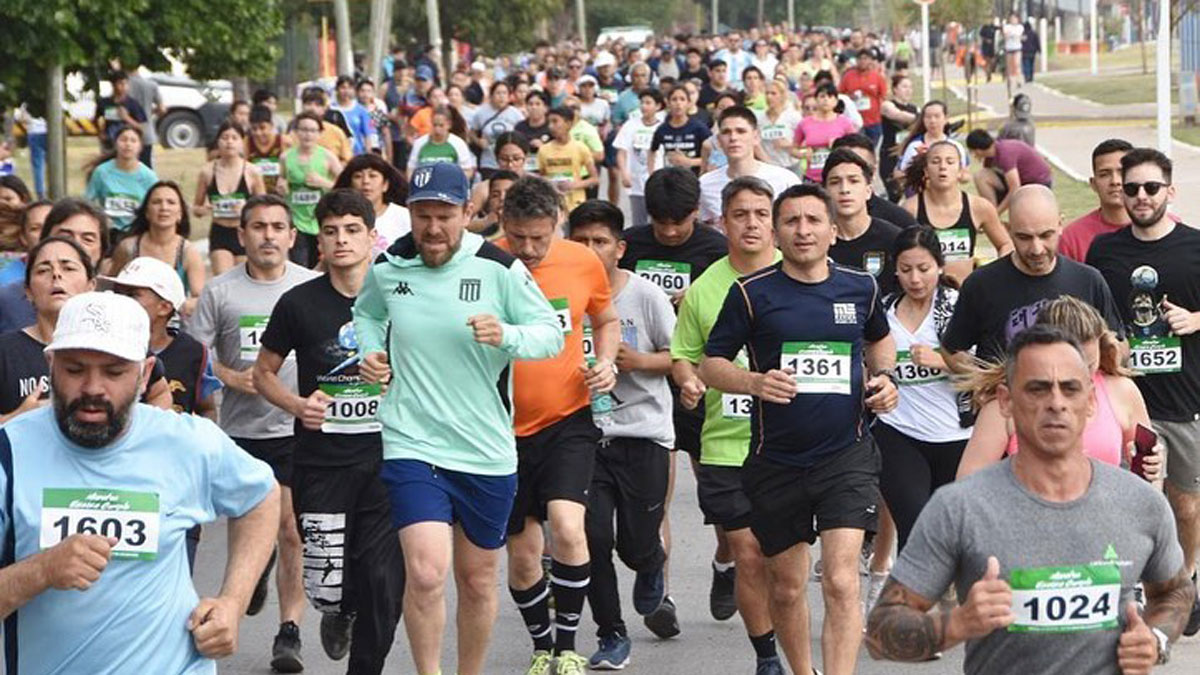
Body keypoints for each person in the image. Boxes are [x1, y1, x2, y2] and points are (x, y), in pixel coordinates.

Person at [866, 324, 1193, 673]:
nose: (1056, 403)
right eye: (1037, 389)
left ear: (1091, 402)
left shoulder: (1140, 503)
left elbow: (1175, 591)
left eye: (1070, 389)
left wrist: (1155, 638)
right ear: (1006, 401)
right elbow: (880, 633)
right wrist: (958, 623)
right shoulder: (960, 507)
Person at [351, 162, 562, 675]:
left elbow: (550, 334)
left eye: (445, 215)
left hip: (484, 447)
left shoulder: (500, 268)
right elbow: (367, 313)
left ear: (468, 214)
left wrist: (506, 335)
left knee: (477, 578)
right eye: (422, 216)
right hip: (412, 440)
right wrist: (371, 349)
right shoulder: (390, 266)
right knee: (425, 573)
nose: (432, 228)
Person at [0, 290, 279, 673]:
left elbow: (261, 497)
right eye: (75, 369)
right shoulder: (9, 452)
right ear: (50, 364)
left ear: (145, 373)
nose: (93, 388)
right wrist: (42, 571)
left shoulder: (187, 442)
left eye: (114, 372)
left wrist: (233, 600)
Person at [701, 182, 899, 675]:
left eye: (813, 221)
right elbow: (711, 365)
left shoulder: (861, 287)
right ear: (776, 232)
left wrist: (885, 379)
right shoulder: (751, 293)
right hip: (777, 461)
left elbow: (881, 342)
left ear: (833, 231)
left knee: (840, 579)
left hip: (846, 455)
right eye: (791, 221)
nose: (803, 230)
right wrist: (753, 381)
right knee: (786, 587)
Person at [255, 190, 405, 672]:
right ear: (319, 239)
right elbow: (262, 373)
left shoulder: (398, 298)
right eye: (332, 231)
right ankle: (339, 608)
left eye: (352, 230)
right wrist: (298, 405)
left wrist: (393, 378)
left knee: (382, 576)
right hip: (321, 461)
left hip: (388, 455)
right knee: (326, 581)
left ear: (371, 236)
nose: (341, 240)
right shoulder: (298, 303)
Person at [190, 193, 321, 673]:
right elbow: (195, 356)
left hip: (296, 427)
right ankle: (256, 565)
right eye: (258, 227)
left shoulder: (311, 287)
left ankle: (289, 633)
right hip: (241, 431)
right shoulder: (221, 292)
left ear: (292, 236)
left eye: (277, 227)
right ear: (241, 235)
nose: (268, 235)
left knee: (291, 527)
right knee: (252, 528)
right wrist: (231, 377)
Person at [494, 176, 619, 675]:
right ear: (503, 225)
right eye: (518, 237)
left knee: (568, 527)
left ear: (557, 225)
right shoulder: (482, 263)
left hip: (566, 417)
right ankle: (542, 646)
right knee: (523, 555)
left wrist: (606, 363)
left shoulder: (581, 260)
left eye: (539, 238)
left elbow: (605, 320)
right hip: (496, 427)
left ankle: (567, 646)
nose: (527, 249)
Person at [671, 176, 786, 675]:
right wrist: (688, 381)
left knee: (785, 565)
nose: (752, 223)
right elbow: (683, 358)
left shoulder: (800, 276)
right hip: (724, 445)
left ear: (775, 222)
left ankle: (789, 644)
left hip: (790, 446)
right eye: (741, 214)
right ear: (724, 221)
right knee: (749, 552)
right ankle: (766, 657)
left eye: (762, 213)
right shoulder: (705, 290)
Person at [1087, 147, 1200, 636]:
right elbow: (1092, 319)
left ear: (1169, 192)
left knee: (1186, 503)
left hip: (1184, 398)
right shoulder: (1104, 252)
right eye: (1130, 188)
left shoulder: (1196, 246)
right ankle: (1128, 587)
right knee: (1120, 500)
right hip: (1123, 398)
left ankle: (1185, 580)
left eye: (1151, 188)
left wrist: (1196, 320)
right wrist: (1113, 344)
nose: (1140, 196)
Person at [565, 200, 675, 669]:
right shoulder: (559, 294)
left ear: (620, 248)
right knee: (591, 538)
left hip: (643, 434)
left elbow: (681, 356)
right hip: (582, 436)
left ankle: (651, 563)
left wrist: (638, 362)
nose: (591, 250)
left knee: (635, 542)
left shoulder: (645, 295)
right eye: (582, 241)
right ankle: (611, 634)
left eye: (601, 241)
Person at [957, 295, 1156, 479]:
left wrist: (1151, 464)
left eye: (1089, 366)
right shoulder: (1009, 403)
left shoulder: (1122, 391)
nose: (1082, 378)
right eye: (1071, 370)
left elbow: (1148, 478)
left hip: (1105, 513)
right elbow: (968, 483)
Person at [940, 185, 1123, 368]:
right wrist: (984, 384)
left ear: (1060, 225)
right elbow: (953, 350)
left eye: (1045, 235)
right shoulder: (980, 284)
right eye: (1024, 237)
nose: (1037, 249)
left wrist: (1111, 351)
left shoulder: (1089, 281)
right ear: (1009, 230)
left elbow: (1120, 343)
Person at [875, 227, 970, 557]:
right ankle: (911, 605)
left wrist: (944, 362)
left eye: (924, 269)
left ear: (940, 267)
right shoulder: (883, 310)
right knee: (914, 529)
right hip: (899, 432)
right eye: (905, 270)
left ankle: (952, 605)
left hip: (956, 435)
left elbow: (990, 370)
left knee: (952, 533)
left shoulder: (959, 306)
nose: (915, 279)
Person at [902, 142, 1011, 283]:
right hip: (926, 294)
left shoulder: (979, 207)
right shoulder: (910, 209)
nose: (943, 167)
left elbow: (1005, 245)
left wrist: (996, 273)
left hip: (965, 294)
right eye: (935, 161)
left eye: (950, 162)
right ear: (926, 171)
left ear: (960, 171)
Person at [0, 199, 110, 334]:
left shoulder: (116, 305)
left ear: (102, 251)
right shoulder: (8, 300)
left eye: (87, 239)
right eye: (65, 236)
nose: (75, 244)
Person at [109, 181, 206, 316]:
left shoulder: (189, 252)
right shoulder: (127, 248)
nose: (164, 207)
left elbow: (200, 297)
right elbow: (110, 288)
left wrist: (179, 306)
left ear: (180, 214)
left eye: (171, 202)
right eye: (156, 202)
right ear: (147, 212)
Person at [699, 106, 800, 225]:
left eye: (741, 131)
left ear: (756, 137)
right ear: (719, 140)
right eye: (726, 132)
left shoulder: (785, 180)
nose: (733, 138)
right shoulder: (705, 184)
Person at [823, 149, 904, 296]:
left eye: (853, 181)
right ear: (825, 192)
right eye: (835, 182)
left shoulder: (894, 239)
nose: (844, 189)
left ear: (868, 191)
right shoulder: (817, 241)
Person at [194, 122, 267, 277]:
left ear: (242, 142)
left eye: (234, 138)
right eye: (225, 137)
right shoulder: (207, 172)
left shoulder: (252, 171)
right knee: (223, 280)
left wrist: (246, 209)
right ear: (218, 142)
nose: (229, 142)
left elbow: (264, 209)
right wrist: (205, 209)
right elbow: (196, 209)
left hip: (245, 233)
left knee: (246, 280)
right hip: (220, 232)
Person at [278, 112, 344, 269]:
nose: (308, 135)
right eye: (304, 129)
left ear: (320, 133)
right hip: (297, 220)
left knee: (321, 265)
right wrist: (282, 186)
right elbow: (282, 181)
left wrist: (324, 183)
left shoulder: (328, 157)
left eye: (313, 130)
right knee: (299, 266)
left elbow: (345, 185)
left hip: (321, 221)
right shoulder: (286, 157)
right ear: (296, 132)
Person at [1060, 139, 1135, 263]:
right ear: (1093, 184)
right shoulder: (1072, 238)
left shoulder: (1165, 226)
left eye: (1122, 173)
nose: (1115, 181)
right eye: (1105, 174)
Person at [830, 134, 919, 230]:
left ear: (874, 169)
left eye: (862, 167)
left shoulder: (898, 221)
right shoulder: (817, 217)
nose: (845, 188)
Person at [84, 126, 158, 238]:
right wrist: (99, 220)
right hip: (109, 232)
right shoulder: (102, 172)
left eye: (133, 141)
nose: (128, 144)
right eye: (123, 140)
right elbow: (87, 202)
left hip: (137, 233)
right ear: (116, 144)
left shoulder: (149, 177)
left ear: (140, 147)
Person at [333, 153, 411, 255]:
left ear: (385, 185)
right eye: (358, 176)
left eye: (372, 175)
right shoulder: (340, 219)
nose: (365, 181)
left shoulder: (404, 217)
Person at [965, 130, 1052, 216]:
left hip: (1038, 184)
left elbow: (1015, 187)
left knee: (1021, 216)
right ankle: (990, 211)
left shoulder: (1005, 153)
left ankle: (992, 215)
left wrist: (997, 213)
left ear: (977, 150)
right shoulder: (990, 156)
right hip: (1021, 182)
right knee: (981, 176)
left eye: (972, 151)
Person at [614, 90, 665, 228]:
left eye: (648, 103)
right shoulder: (631, 125)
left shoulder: (663, 126)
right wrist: (624, 173)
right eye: (642, 103)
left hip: (658, 181)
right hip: (636, 182)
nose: (644, 106)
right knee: (639, 221)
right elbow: (621, 151)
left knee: (658, 218)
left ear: (658, 106)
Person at [792, 82, 857, 183]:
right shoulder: (805, 123)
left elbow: (855, 147)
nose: (826, 99)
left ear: (836, 101)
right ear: (816, 100)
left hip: (836, 175)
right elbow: (793, 149)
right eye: (822, 96)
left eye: (830, 96)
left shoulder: (845, 123)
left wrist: (839, 146)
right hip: (812, 177)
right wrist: (803, 154)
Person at [539, 106, 599, 213]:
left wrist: (574, 185)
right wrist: (550, 183)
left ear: (568, 124)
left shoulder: (581, 148)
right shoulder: (544, 150)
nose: (551, 126)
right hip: (552, 204)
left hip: (576, 203)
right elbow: (541, 176)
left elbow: (594, 179)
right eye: (549, 122)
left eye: (555, 121)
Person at [895, 101, 967, 178]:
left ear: (946, 118)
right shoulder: (914, 145)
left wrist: (953, 174)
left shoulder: (955, 146)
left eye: (937, 116)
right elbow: (898, 174)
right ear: (923, 120)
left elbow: (966, 175)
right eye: (928, 117)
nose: (932, 121)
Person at [649, 86, 711, 175]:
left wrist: (690, 162)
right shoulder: (662, 129)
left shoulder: (699, 128)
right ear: (668, 103)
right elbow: (652, 150)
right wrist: (651, 172)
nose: (678, 103)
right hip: (669, 179)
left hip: (693, 179)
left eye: (682, 99)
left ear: (689, 103)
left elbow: (714, 154)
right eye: (674, 99)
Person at [470, 80, 526, 179]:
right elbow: (472, 132)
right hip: (488, 162)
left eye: (504, 93)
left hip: (510, 163)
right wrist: (478, 141)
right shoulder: (481, 113)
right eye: (498, 93)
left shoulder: (516, 114)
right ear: (491, 95)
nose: (501, 96)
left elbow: (523, 134)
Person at [408, 106, 477, 179]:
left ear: (449, 125)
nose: (437, 129)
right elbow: (411, 168)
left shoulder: (458, 144)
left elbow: (467, 170)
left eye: (441, 125)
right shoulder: (420, 143)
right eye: (434, 125)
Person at [880, 75, 918, 201]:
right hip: (890, 155)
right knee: (894, 194)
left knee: (912, 195)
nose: (908, 90)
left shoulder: (914, 108)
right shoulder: (887, 105)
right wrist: (921, 118)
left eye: (911, 87)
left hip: (908, 156)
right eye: (904, 87)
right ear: (895, 89)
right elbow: (897, 115)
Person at [838, 48, 888, 144]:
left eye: (866, 58)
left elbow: (884, 96)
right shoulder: (848, 76)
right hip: (854, 121)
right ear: (856, 60)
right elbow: (840, 96)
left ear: (870, 60)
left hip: (873, 121)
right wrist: (850, 97)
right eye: (860, 58)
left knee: (872, 147)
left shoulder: (877, 77)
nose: (863, 61)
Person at [755, 79, 802, 174]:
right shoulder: (760, 118)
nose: (769, 97)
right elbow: (756, 142)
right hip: (768, 165)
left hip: (791, 165)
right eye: (767, 93)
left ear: (782, 95)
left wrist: (789, 144)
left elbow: (805, 141)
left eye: (773, 93)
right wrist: (766, 161)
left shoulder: (793, 116)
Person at [299, 87, 354, 164]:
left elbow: (347, 159)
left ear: (325, 108)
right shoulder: (293, 131)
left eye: (317, 105)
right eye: (308, 104)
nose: (312, 108)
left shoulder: (336, 132)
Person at [248, 105, 290, 196]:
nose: (258, 133)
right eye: (254, 129)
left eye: (262, 128)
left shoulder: (284, 141)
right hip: (256, 195)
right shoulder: (246, 143)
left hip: (279, 193)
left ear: (271, 126)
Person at [332, 75, 374, 156]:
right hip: (336, 154)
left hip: (357, 154)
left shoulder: (361, 111)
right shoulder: (331, 110)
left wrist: (368, 156)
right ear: (337, 89)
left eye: (349, 88)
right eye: (343, 87)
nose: (346, 91)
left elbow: (367, 136)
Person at [516, 90, 553, 163]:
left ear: (546, 108)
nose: (534, 107)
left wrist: (543, 148)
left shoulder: (552, 127)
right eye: (530, 104)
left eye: (538, 104)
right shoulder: (519, 127)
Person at [1002, 12, 1025, 89]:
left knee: (1017, 64)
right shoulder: (1007, 27)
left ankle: (1018, 80)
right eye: (1011, 19)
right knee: (1010, 66)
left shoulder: (1020, 27)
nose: (1013, 20)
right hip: (1009, 48)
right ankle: (1010, 80)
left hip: (1017, 48)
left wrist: (1017, 36)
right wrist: (1008, 35)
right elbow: (1005, 36)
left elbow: (1021, 37)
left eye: (1014, 19)